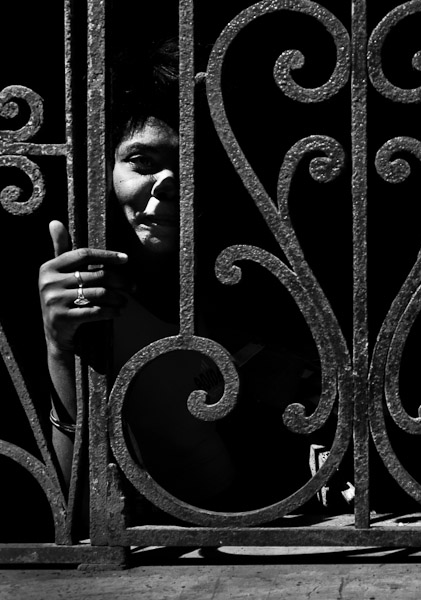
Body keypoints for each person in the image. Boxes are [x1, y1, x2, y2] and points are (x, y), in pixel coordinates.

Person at [38, 39, 336, 514]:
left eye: (189, 165)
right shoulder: (75, 280)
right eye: (143, 162)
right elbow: (72, 515)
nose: (168, 185)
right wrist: (61, 346)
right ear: (104, 169)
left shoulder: (261, 274)